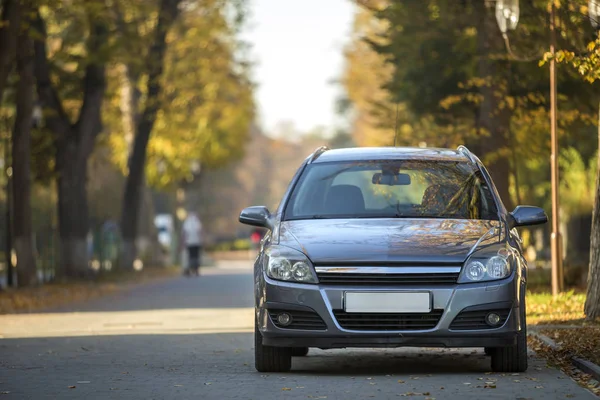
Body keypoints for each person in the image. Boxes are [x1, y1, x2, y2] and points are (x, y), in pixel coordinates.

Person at [181, 212, 203, 276]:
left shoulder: (187, 223)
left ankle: (190, 269)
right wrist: (201, 239)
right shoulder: (197, 222)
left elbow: (185, 233)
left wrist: (183, 242)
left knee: (190, 256)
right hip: (196, 242)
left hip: (189, 242)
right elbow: (200, 231)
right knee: (196, 256)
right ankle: (196, 269)